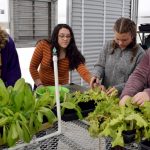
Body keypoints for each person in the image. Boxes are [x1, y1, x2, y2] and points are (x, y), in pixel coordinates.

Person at [90, 17, 145, 95]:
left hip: (125, 98)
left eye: (124, 40)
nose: (120, 43)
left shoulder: (140, 54)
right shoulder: (108, 45)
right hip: (105, 95)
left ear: (132, 36)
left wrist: (118, 89)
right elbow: (100, 65)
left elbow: (138, 81)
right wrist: (96, 76)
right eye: (117, 39)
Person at [29, 24, 92, 88]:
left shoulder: (72, 52)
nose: (65, 39)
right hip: (42, 87)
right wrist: (39, 84)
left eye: (68, 36)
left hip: (62, 89)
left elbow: (83, 72)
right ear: (56, 36)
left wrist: (92, 81)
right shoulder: (43, 45)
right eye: (62, 36)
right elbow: (33, 67)